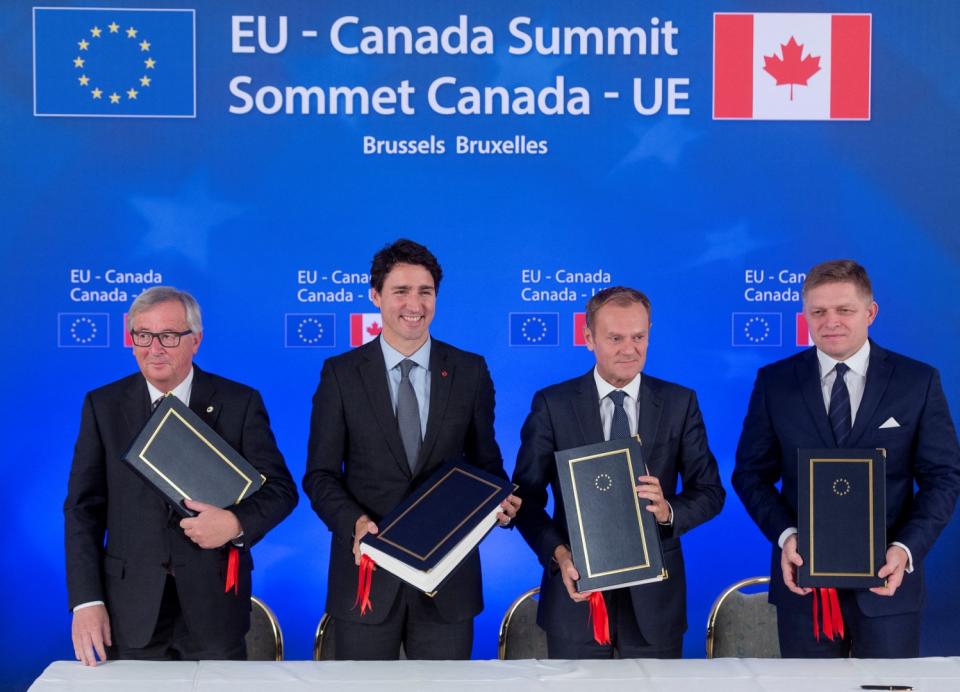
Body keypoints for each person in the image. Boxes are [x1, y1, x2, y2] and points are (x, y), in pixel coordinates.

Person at [303, 239, 521, 660]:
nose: (414, 303)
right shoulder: (341, 375)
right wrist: (356, 524)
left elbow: (487, 464)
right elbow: (320, 475)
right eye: (400, 290)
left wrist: (502, 501)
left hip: (447, 583)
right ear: (376, 296)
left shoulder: (469, 371)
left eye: (425, 291)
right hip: (367, 576)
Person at [732, 259, 960, 657]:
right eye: (818, 312)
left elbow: (943, 477)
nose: (830, 321)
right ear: (805, 315)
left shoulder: (917, 381)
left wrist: (905, 549)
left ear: (870, 312)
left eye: (844, 310)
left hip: (888, 588)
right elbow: (750, 475)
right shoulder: (775, 382)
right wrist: (787, 537)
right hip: (803, 586)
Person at [64, 286, 298, 665]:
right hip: (129, 611)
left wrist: (235, 522)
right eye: (142, 335)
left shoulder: (239, 403)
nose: (154, 348)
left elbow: (282, 491)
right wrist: (86, 601)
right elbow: (82, 510)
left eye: (169, 336)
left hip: (215, 610)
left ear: (196, 341)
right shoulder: (102, 406)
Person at [512, 286, 725, 658]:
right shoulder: (552, 404)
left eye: (639, 337)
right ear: (588, 337)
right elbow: (525, 501)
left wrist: (667, 511)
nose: (630, 349)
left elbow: (710, 492)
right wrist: (560, 554)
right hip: (576, 598)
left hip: (655, 606)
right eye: (615, 338)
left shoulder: (680, 403)